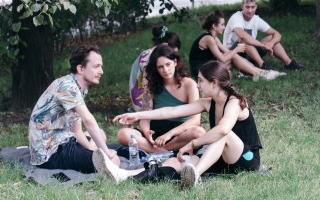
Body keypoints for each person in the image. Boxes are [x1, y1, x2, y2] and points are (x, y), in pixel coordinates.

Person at [93, 61, 265, 189]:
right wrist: (137, 115)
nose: (198, 85)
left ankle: (195, 176)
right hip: (223, 160)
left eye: (201, 81)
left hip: (247, 160)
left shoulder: (235, 102)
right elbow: (170, 111)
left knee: (222, 134)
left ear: (214, 82)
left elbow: (223, 130)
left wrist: (193, 143)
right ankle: (124, 175)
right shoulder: (208, 103)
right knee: (180, 161)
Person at [28, 44, 119, 173]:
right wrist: (106, 153)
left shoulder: (78, 88)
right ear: (81, 69)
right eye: (96, 66)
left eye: (101, 66)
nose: (101, 71)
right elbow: (88, 120)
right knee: (114, 161)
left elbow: (77, 132)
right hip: (50, 153)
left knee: (101, 134)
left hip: (64, 140)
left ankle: (96, 153)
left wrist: (92, 149)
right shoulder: (68, 87)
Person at [117, 45, 205, 154]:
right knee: (123, 133)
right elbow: (145, 115)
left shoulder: (189, 84)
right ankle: (161, 152)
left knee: (199, 132)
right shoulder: (151, 85)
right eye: (160, 67)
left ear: (175, 62)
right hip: (156, 131)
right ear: (156, 68)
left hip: (179, 133)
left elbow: (195, 120)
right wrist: (147, 132)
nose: (165, 70)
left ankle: (160, 151)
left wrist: (170, 134)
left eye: (168, 64)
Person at [189, 10, 285, 81]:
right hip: (201, 71)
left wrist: (236, 47)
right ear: (214, 26)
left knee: (233, 57)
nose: (224, 27)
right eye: (222, 25)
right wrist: (236, 50)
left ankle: (256, 72)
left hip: (208, 67)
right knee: (233, 56)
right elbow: (222, 59)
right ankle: (260, 73)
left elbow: (226, 52)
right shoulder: (208, 39)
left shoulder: (214, 38)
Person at [222, 0, 304, 71]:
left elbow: (277, 34)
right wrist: (263, 45)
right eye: (247, 7)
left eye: (252, 7)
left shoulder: (256, 19)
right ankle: (262, 65)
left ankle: (289, 64)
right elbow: (243, 36)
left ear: (256, 7)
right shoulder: (236, 18)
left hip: (249, 52)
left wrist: (270, 44)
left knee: (271, 38)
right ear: (242, 7)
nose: (250, 10)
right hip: (232, 53)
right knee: (243, 41)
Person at [129, 26, 181, 111]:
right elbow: (147, 87)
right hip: (144, 103)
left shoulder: (146, 53)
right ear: (165, 45)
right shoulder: (151, 57)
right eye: (173, 52)